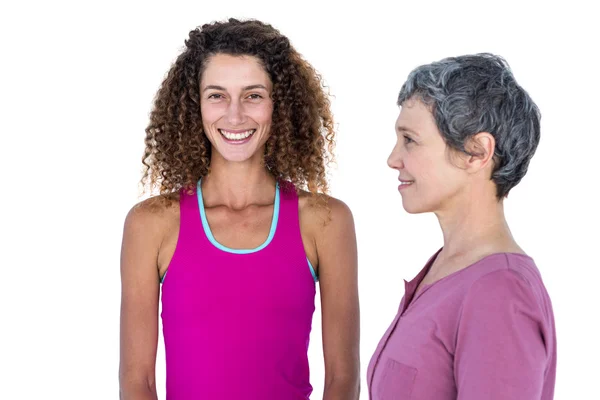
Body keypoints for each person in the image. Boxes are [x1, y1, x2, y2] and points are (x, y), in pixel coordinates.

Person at [119, 18, 359, 400]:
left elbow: (343, 380)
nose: (234, 116)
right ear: (193, 104)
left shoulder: (326, 221)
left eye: (253, 95)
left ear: (278, 104)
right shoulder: (151, 223)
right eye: (217, 95)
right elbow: (137, 381)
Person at [367, 54, 556, 400]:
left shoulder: (500, 292)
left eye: (410, 139)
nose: (393, 159)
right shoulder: (449, 269)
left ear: (476, 151)